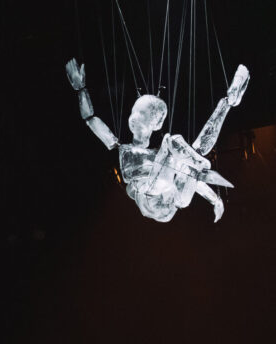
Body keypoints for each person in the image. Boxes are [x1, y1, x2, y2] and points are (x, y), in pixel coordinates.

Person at [65, 58, 249, 223]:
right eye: (134, 112)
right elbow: (90, 119)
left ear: (157, 123)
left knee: (182, 149)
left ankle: (227, 103)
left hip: (171, 198)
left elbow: (190, 174)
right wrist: (80, 89)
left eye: (142, 115)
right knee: (175, 146)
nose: (134, 118)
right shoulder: (124, 149)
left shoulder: (157, 155)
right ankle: (201, 161)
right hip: (158, 198)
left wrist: (214, 200)